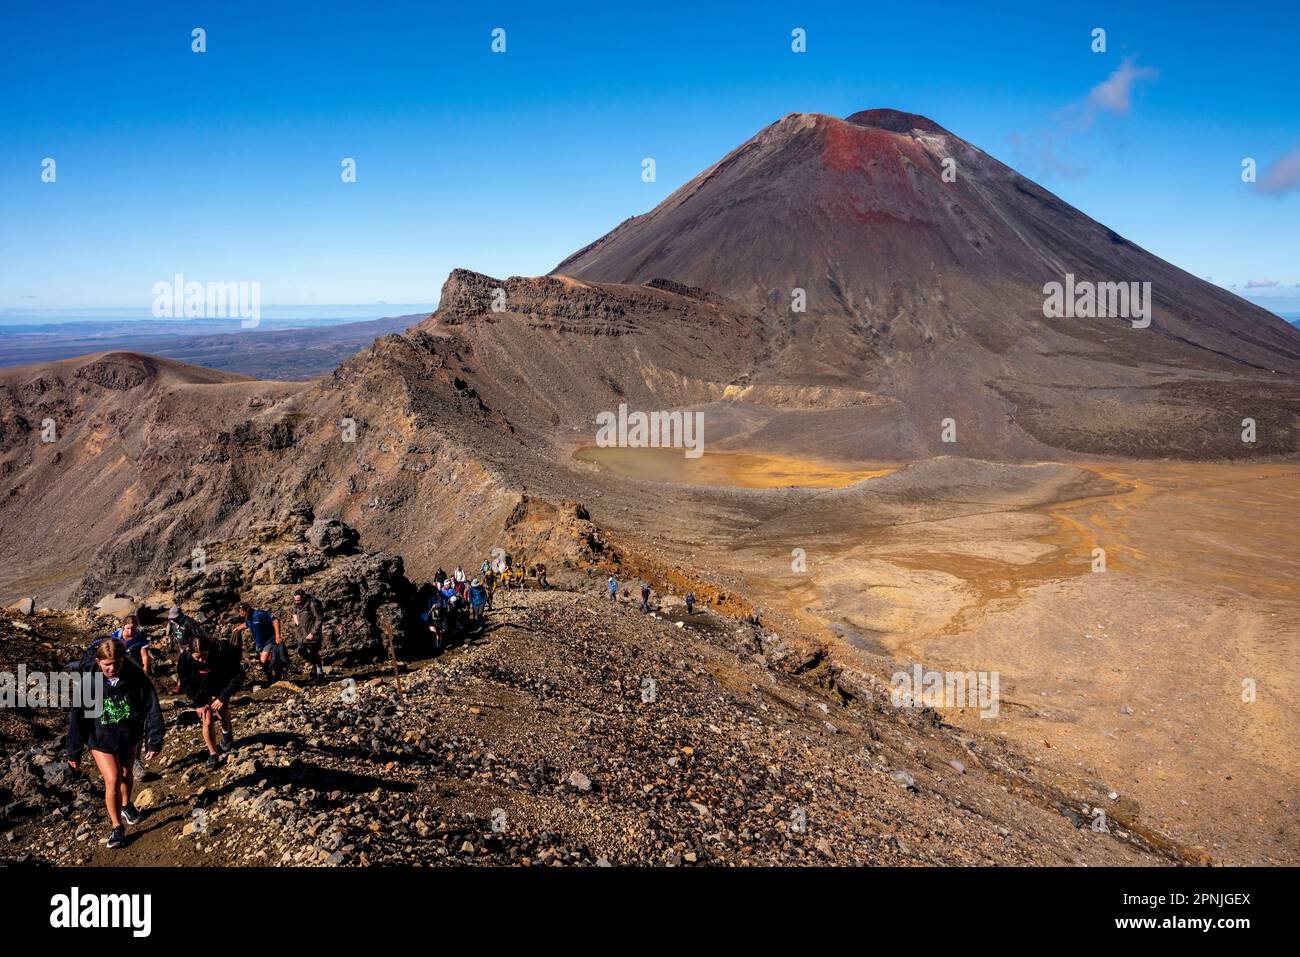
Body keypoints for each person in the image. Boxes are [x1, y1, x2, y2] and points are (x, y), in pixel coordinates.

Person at [67, 638, 164, 850]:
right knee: (113, 779)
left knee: (127, 774)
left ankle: (127, 805)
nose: (112, 669)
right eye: (107, 665)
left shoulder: (135, 675)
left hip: (128, 733)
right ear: (98, 661)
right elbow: (77, 717)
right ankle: (116, 827)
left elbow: (152, 706)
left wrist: (154, 740)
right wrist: (73, 752)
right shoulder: (89, 682)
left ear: (123, 660)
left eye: (116, 664)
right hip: (99, 736)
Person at [177, 634, 245, 771]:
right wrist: (198, 703)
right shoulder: (184, 660)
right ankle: (213, 754)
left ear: (209, 650)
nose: (201, 660)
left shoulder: (222, 652)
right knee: (207, 720)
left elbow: (238, 676)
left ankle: (226, 732)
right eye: (198, 657)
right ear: (191, 653)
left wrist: (222, 697)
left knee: (221, 711)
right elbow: (186, 683)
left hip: (221, 682)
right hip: (201, 687)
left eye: (204, 655)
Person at [231, 602, 283, 683]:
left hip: (269, 640)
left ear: (248, 610)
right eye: (240, 614)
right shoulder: (247, 617)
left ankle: (275, 676)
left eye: (243, 613)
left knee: (262, 661)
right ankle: (273, 676)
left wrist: (277, 636)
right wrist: (238, 628)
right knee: (264, 663)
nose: (241, 615)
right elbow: (247, 624)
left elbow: (275, 621)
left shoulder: (260, 614)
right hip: (259, 643)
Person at [292, 589, 327, 683]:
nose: (296, 602)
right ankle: (314, 665)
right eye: (295, 600)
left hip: (312, 634)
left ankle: (320, 673)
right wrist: (297, 622)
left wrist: (312, 633)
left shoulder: (312, 605)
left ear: (303, 597)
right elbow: (294, 612)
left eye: (298, 600)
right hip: (301, 634)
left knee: (314, 652)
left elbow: (319, 619)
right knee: (301, 651)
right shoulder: (297, 604)